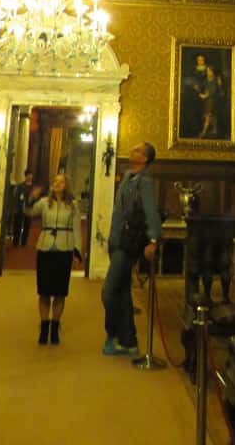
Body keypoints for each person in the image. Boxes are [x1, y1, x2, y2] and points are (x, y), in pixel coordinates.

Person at [101, 141, 161, 357]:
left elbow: (151, 212)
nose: (131, 150)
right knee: (123, 292)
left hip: (127, 245)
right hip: (116, 241)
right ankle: (129, 342)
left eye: (136, 149)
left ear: (144, 159)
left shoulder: (144, 182)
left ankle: (113, 335)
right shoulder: (128, 177)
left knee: (108, 293)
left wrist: (153, 240)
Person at [26, 172, 83, 345]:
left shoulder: (73, 205)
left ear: (66, 185)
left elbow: (77, 229)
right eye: (55, 181)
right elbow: (28, 211)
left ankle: (55, 327)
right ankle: (43, 328)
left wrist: (77, 250)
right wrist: (31, 198)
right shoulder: (44, 203)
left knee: (59, 292)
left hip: (64, 249)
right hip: (46, 248)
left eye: (61, 182)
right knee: (44, 291)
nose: (58, 184)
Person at [12, 169, 34, 248]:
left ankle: (24, 243)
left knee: (27, 226)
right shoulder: (20, 186)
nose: (30, 176)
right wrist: (16, 208)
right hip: (20, 208)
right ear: (26, 176)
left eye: (31, 175)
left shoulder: (33, 187)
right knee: (17, 225)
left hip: (29, 209)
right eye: (28, 175)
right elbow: (16, 196)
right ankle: (15, 241)